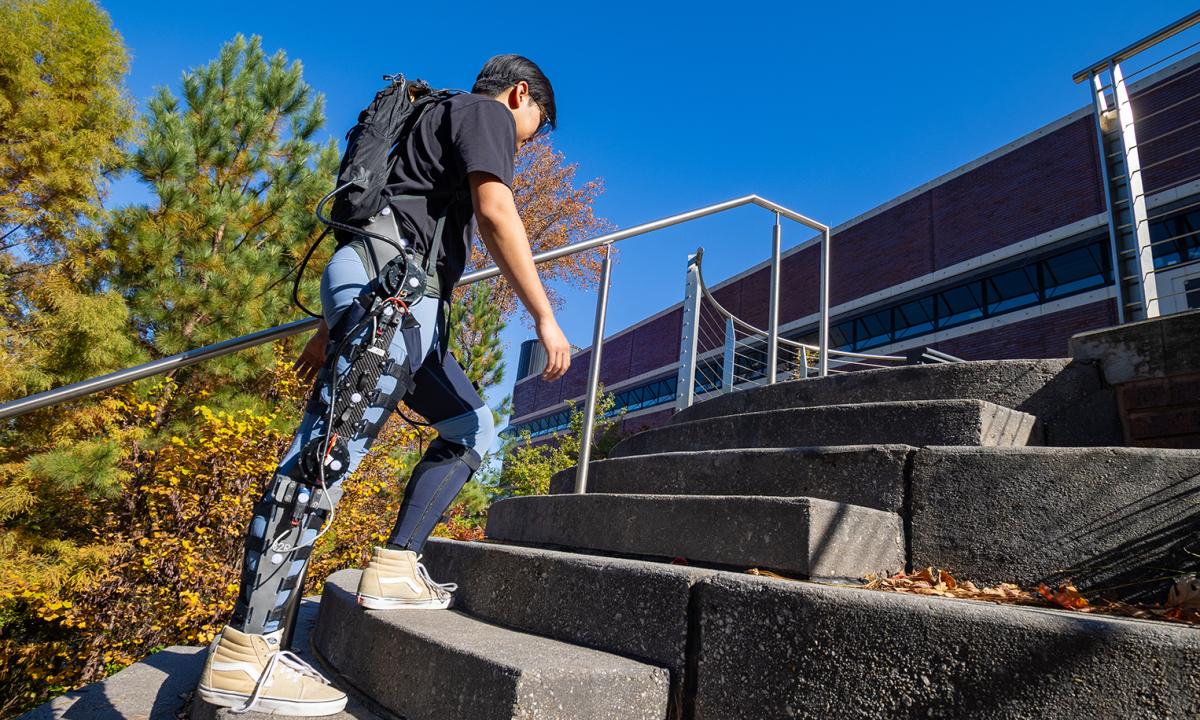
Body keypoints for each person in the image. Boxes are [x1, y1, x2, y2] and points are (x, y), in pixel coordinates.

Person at [196, 54, 571, 716]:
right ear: (521, 96)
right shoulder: (484, 112)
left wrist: (331, 322)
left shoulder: (433, 116)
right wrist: (545, 317)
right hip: (394, 297)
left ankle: (397, 564)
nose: (527, 142)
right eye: (534, 127)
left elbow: (384, 209)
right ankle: (245, 654)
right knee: (323, 459)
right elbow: (495, 210)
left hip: (377, 287)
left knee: (469, 427)